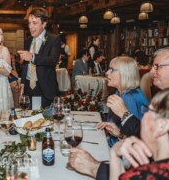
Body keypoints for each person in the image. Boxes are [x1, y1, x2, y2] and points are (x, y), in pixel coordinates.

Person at [68, 47, 169, 179]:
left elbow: (140, 146)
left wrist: (94, 167)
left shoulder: (129, 97)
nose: (151, 71)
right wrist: (120, 134)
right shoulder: (121, 94)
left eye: (157, 66)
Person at [110, 88, 169, 179]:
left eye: (147, 110)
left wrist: (114, 156)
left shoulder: (142, 175)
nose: (143, 115)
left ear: (162, 125)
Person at [98, 56, 149, 147]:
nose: (107, 73)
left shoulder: (130, 97)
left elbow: (133, 138)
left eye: (111, 69)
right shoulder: (119, 93)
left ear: (125, 73)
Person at [18, 7, 61, 108]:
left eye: (34, 23)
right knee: (29, 117)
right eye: (29, 23)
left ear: (44, 24)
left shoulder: (54, 39)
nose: (30, 26)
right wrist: (23, 84)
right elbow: (25, 65)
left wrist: (33, 57)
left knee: (43, 119)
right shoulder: (28, 40)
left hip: (44, 88)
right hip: (28, 87)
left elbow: (53, 60)